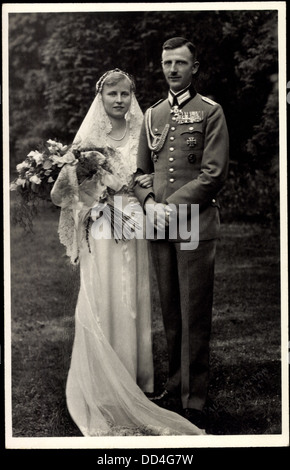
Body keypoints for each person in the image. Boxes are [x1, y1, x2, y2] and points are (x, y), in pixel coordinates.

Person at [51, 69, 205, 436]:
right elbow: (68, 189)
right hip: (102, 222)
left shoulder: (142, 131)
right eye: (112, 95)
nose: (119, 100)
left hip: (133, 221)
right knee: (103, 293)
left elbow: (149, 175)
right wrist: (94, 197)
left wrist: (143, 191)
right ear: (101, 98)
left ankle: (136, 378)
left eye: (124, 94)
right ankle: (102, 381)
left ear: (131, 96)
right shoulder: (88, 137)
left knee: (132, 296)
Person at [134, 38, 229, 431]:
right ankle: (175, 387)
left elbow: (214, 173)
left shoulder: (210, 111)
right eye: (166, 63)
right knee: (171, 310)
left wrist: (168, 203)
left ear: (195, 67)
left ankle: (195, 398)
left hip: (191, 220)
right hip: (158, 222)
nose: (172, 69)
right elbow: (140, 171)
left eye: (180, 63)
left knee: (193, 310)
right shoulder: (152, 114)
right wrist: (149, 200)